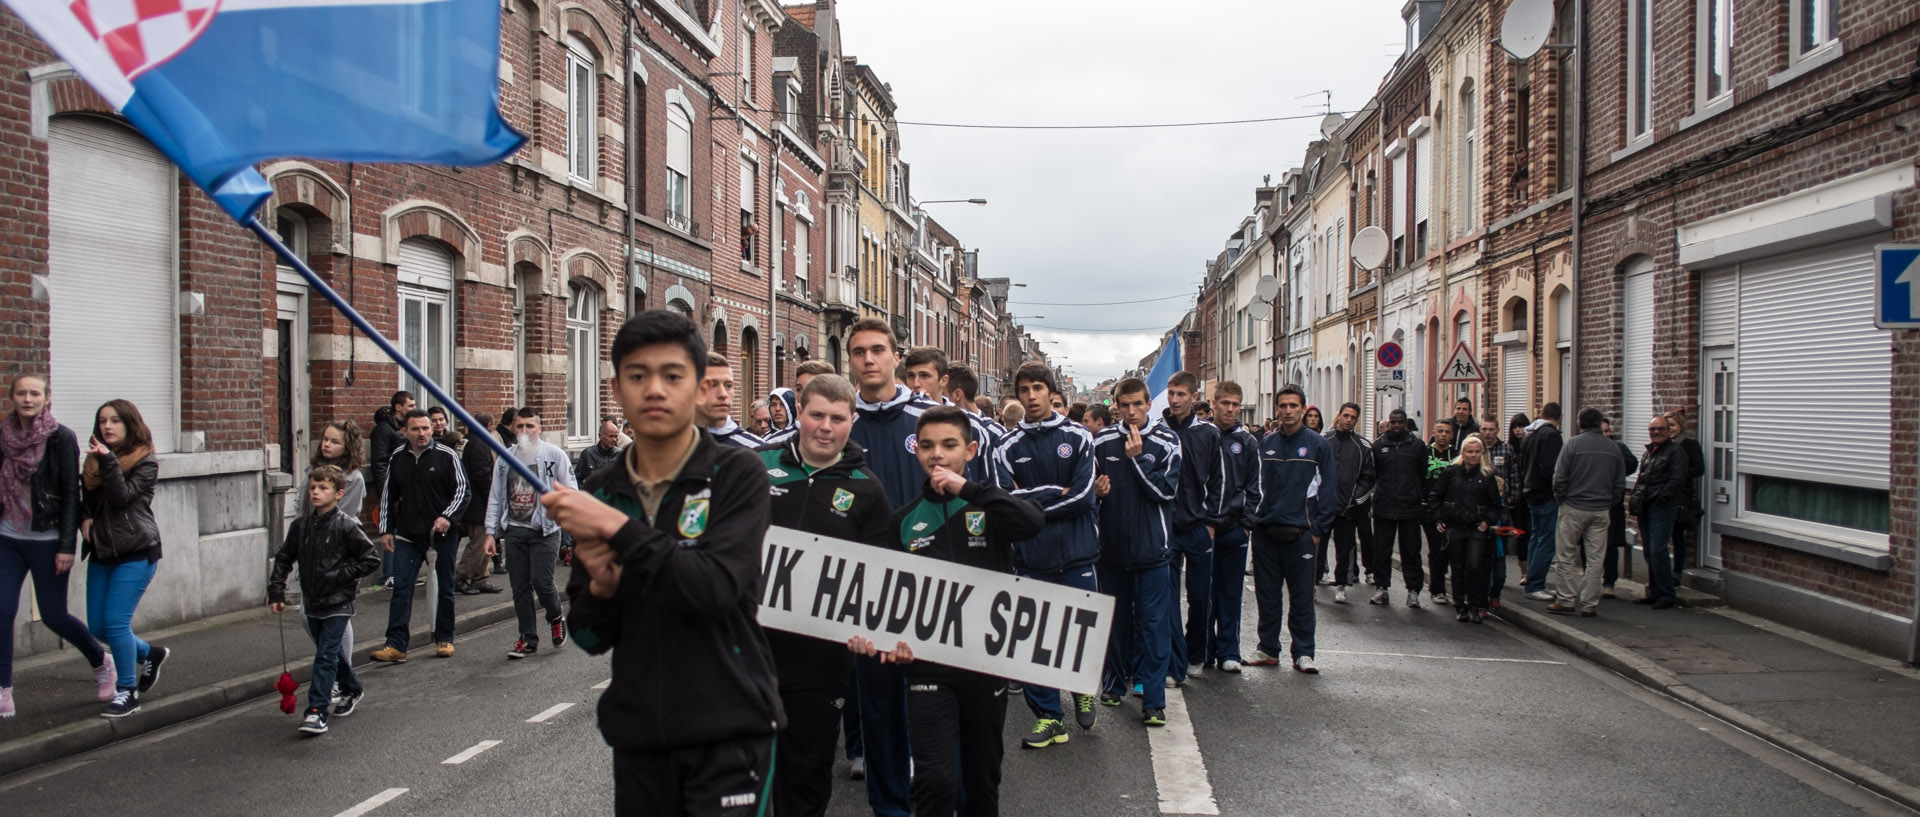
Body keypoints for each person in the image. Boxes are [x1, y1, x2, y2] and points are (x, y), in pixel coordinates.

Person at [543, 309, 781, 817]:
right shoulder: (602, 490)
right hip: (639, 735)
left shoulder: (737, 473)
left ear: (696, 388)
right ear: (616, 388)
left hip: (729, 732)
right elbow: (587, 638)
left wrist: (617, 530)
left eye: (672, 375)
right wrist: (603, 590)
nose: (654, 389)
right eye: (637, 375)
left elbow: (715, 589)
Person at [863, 406, 1045, 817]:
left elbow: (1032, 522)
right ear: (916, 452)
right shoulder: (904, 520)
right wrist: (895, 640)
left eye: (949, 445)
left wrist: (971, 490)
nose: (937, 455)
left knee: (982, 781)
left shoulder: (989, 507)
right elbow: (892, 593)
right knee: (934, 780)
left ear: (971, 450)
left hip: (985, 662)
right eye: (927, 446)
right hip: (929, 668)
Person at [759, 374, 893, 817]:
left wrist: (864, 627)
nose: (825, 426)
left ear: (852, 422)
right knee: (744, 769)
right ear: (799, 413)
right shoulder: (756, 467)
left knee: (807, 768)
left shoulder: (866, 488)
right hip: (749, 648)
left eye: (837, 418)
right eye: (816, 414)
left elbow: (878, 574)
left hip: (820, 656)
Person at [994, 360, 1101, 745]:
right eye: (1024, 390)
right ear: (1018, 395)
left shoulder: (1079, 436)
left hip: (1078, 552)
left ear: (1051, 392)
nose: (1031, 396)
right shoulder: (1007, 446)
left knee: (1079, 629)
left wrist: (1034, 506)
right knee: (1033, 639)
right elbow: (1006, 500)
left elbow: (1085, 497)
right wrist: (1057, 494)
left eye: (1038, 388)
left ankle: (1083, 688)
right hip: (1032, 556)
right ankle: (1049, 716)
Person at [0, 375, 113, 719]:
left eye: (35, 393)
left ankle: (100, 660)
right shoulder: (3, 435)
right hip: (7, 537)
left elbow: (69, 495)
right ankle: (4, 690)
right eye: (21, 393)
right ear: (12, 397)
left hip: (47, 539)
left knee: (53, 615)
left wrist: (67, 545)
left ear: (47, 399)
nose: (28, 398)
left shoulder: (61, 437)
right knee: (2, 614)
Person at [1091, 378, 1180, 724]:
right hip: (1111, 550)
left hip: (1153, 550)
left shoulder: (1167, 441)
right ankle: (1114, 684)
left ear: (1148, 405)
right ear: (1115, 405)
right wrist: (1096, 494)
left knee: (1154, 624)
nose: (1131, 412)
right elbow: (1089, 492)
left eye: (1137, 405)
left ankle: (1153, 699)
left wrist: (1138, 459)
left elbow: (1164, 492)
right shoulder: (1100, 441)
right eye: (1124, 405)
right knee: (1115, 621)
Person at [268, 465, 381, 736]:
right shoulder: (301, 526)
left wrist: (341, 575)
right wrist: (276, 590)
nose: (315, 492)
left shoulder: (346, 526)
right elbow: (284, 558)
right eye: (313, 487)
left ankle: (317, 711)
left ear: (339, 493)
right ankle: (352, 687)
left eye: (323, 488)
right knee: (331, 653)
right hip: (313, 600)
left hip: (338, 602)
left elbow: (370, 559)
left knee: (325, 655)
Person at [81, 399, 167, 718]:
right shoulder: (94, 461)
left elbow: (121, 499)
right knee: (98, 625)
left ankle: (127, 691)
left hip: (136, 551)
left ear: (129, 424)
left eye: (115, 420)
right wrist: (84, 517)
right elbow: (87, 499)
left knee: (116, 623)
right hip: (102, 551)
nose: (107, 427)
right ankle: (149, 653)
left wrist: (107, 463)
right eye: (102, 421)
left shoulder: (145, 461)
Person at [1245, 386, 1336, 673]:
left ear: (1303, 409)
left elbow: (1329, 490)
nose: (1287, 411)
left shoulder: (1318, 445)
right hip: (1266, 533)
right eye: (1282, 405)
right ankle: (1268, 649)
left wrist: (1317, 529)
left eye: (1293, 406)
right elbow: (1253, 486)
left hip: (1301, 535)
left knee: (1302, 597)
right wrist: (1252, 523)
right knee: (1267, 595)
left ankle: (1304, 652)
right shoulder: (1266, 444)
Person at [371, 409, 468, 663]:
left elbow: (462, 491)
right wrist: (385, 529)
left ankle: (445, 638)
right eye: (415, 429)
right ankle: (396, 644)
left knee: (445, 587)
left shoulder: (447, 455)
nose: (422, 433)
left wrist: (447, 517)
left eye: (425, 428)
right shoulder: (397, 458)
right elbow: (387, 497)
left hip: (442, 535)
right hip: (408, 535)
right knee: (402, 588)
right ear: (405, 432)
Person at [486, 408, 579, 658]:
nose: (525, 431)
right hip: (515, 530)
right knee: (519, 586)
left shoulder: (554, 455)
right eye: (520, 426)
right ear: (513, 429)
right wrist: (490, 533)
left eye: (530, 426)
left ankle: (555, 615)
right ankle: (528, 638)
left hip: (545, 530)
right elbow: (495, 496)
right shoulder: (506, 459)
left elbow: (571, 490)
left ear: (539, 428)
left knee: (541, 580)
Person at [1160, 371, 1223, 685]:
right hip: (1166, 528)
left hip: (1198, 527)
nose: (1174, 399)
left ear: (1194, 397)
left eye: (1181, 394)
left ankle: (1196, 653)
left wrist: (1211, 521)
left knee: (1199, 597)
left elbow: (1218, 480)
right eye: (1171, 393)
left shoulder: (1208, 434)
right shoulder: (1158, 431)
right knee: (1167, 599)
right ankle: (1174, 661)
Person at [1547, 408, 1627, 617]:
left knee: (1566, 555)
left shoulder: (1572, 445)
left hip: (1573, 506)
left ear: (1579, 423)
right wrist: (1610, 502)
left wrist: (1562, 499)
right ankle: (1590, 603)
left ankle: (1566, 600)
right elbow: (1620, 482)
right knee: (1595, 559)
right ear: (1600, 423)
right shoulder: (1613, 448)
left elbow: (1559, 477)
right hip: (1601, 510)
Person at [1207, 382, 1260, 670]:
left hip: (1235, 529)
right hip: (1205, 531)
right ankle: (1204, 649)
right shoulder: (1203, 436)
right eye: (1225, 403)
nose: (1229, 409)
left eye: (1235, 404)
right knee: (1204, 593)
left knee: (1230, 593)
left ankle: (1229, 651)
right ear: (1213, 403)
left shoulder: (1247, 441)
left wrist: (1246, 524)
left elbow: (1255, 487)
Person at [1428, 437, 1503, 623]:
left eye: (1477, 452)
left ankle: (1475, 605)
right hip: (1455, 527)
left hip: (1477, 527)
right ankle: (1460, 605)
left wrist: (1487, 521)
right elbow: (1435, 497)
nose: (1473, 455)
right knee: (1458, 567)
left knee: (1475, 566)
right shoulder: (1450, 473)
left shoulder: (1487, 476)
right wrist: (1438, 517)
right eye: (1470, 451)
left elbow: (1496, 505)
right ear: (1463, 453)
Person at [1369, 409, 1429, 606]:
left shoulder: (1418, 447)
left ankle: (1413, 591)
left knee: (1411, 551)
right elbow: (1373, 475)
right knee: (1382, 550)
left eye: (1400, 422)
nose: (1396, 426)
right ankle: (1381, 587)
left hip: (1409, 508)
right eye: (1393, 422)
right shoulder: (1378, 446)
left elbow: (1423, 475)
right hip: (1384, 506)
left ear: (1406, 424)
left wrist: (1420, 498)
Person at [1632, 417, 1686, 610]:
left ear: (1668, 431)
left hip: (1662, 508)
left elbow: (1677, 480)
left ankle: (1666, 594)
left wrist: (1661, 498)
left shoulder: (1675, 452)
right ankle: (1654, 591)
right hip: (1645, 507)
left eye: (1660, 429)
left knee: (1657, 550)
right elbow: (1642, 478)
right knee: (1648, 551)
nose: (1655, 432)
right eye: (1652, 429)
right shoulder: (1649, 453)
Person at [1324, 403, 1376, 604]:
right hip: (1324, 505)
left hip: (1347, 506)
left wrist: (1357, 498)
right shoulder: (1324, 441)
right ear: (1338, 416)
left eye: (1352, 417)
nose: (1348, 420)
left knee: (1344, 547)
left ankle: (1341, 584)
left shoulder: (1362, 446)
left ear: (1357, 420)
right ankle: (1313, 580)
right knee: (1316, 547)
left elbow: (1368, 476)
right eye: (1345, 415)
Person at [1518, 402, 1565, 601]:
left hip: (1531, 491)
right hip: (1545, 494)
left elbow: (1524, 462)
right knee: (1546, 541)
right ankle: (1535, 584)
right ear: (1559, 418)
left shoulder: (1529, 434)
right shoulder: (1551, 435)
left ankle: (1533, 580)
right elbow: (1550, 469)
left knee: (1536, 538)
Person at [367, 390, 414, 584]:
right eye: (410, 405)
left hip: (405, 488)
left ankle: (400, 572)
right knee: (391, 531)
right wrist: (384, 492)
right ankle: (389, 575)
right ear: (398, 407)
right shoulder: (384, 430)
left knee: (403, 530)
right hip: (392, 489)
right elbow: (379, 463)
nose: (413, 408)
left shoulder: (400, 428)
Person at [454, 413, 501, 596]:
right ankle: (461, 576)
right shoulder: (479, 445)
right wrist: (493, 498)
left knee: (484, 539)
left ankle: (481, 578)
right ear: (488, 426)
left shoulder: (464, 441)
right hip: (479, 502)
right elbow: (483, 475)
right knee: (480, 541)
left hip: (470, 500)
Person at [1482, 414, 1523, 609]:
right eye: (1484, 429)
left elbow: (1514, 475)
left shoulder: (1506, 450)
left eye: (1491, 429)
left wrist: (1513, 498)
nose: (1487, 433)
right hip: (1480, 513)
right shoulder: (1477, 449)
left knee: (1500, 554)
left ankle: (1495, 592)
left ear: (1497, 430)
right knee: (1481, 556)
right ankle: (1481, 593)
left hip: (1501, 512)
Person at [1599, 419, 1639, 597]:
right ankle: (1590, 579)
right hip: (1591, 504)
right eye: (1603, 432)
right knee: (1588, 545)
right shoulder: (1587, 448)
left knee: (1610, 545)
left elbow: (1632, 464)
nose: (1606, 435)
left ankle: (1609, 582)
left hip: (1612, 506)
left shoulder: (1618, 448)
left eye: (1608, 431)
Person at [1421, 419, 1459, 604]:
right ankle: (1437, 588)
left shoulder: (1457, 456)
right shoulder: (1425, 454)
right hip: (1430, 510)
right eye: (1440, 431)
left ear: (1452, 435)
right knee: (1437, 549)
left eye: (1447, 432)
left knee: (1451, 550)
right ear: (1434, 432)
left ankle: (1457, 588)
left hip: (1452, 510)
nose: (1443, 435)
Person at [1663, 412, 1706, 575]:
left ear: (1681, 426)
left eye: (1673, 425)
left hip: (1681, 495)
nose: (1670, 429)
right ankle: (1663, 573)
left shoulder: (1689, 445)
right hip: (1664, 494)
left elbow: (1699, 469)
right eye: (1668, 426)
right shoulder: (1664, 445)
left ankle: (1677, 573)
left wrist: (1678, 473)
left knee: (1677, 535)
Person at [698, 355, 767, 449]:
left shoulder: (758, 449)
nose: (723, 394)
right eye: (713, 385)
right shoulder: (675, 447)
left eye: (728, 385)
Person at [576, 417, 625, 485]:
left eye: (616, 436)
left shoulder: (621, 454)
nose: (614, 439)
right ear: (600, 436)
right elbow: (577, 479)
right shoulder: (588, 454)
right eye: (611, 436)